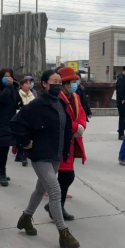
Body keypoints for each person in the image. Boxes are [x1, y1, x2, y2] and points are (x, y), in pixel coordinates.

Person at [11, 70, 80, 248]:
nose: (58, 84)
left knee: (40, 189)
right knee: (55, 191)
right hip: (40, 155)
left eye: (60, 81)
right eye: (54, 81)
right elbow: (16, 123)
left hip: (56, 154)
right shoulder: (37, 105)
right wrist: (26, 143)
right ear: (44, 84)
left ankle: (26, 218)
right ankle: (63, 233)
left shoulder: (61, 103)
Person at [44, 67, 87, 222]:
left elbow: (81, 112)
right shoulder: (57, 98)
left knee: (65, 176)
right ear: (65, 83)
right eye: (72, 82)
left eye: (75, 81)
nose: (75, 84)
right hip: (59, 141)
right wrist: (75, 127)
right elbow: (59, 119)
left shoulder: (74, 97)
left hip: (72, 140)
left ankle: (55, 206)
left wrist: (81, 125)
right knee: (66, 176)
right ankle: (55, 207)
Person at [0, 68, 20, 187]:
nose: (8, 78)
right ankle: (1, 172)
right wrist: (8, 87)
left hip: (10, 120)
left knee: (5, 147)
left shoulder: (13, 87)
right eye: (5, 76)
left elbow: (17, 101)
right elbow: (1, 98)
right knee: (4, 146)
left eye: (9, 76)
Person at [16, 77, 35, 166]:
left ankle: (24, 155)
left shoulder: (32, 95)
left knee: (28, 137)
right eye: (26, 84)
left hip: (30, 119)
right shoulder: (18, 94)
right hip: (20, 118)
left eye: (29, 84)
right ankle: (20, 154)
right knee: (21, 137)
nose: (29, 85)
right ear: (21, 85)